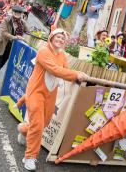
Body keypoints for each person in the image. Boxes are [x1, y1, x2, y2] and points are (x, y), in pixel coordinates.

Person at [16, 28, 88, 171]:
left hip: (50, 94)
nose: (60, 40)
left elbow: (65, 72)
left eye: (63, 38)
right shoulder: (44, 51)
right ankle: (30, 157)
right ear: (51, 37)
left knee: (43, 123)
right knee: (37, 124)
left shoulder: (62, 56)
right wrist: (76, 74)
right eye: (58, 37)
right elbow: (54, 70)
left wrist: (77, 80)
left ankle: (24, 130)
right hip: (36, 92)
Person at [0, 6, 29, 97]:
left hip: (10, 48)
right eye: (15, 12)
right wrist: (16, 37)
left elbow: (28, 31)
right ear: (12, 12)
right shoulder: (6, 20)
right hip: (0, 45)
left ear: (22, 14)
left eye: (19, 13)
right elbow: (4, 33)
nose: (17, 14)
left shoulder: (22, 23)